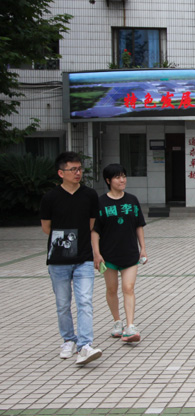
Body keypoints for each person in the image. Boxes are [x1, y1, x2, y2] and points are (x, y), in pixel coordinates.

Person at [40, 151, 103, 365]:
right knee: (62, 303)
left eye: (79, 169)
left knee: (85, 301)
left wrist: (96, 252)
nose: (78, 173)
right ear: (61, 173)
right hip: (58, 260)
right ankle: (68, 339)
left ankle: (85, 344)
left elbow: (93, 224)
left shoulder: (90, 195)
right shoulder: (50, 198)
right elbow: (46, 227)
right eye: (72, 169)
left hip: (84, 257)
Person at [91, 163, 147, 343]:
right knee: (112, 289)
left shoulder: (132, 200)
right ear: (108, 180)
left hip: (130, 253)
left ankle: (130, 326)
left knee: (128, 288)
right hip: (108, 254)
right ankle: (117, 321)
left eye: (123, 176)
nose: (122, 180)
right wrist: (96, 254)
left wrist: (143, 248)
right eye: (117, 177)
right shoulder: (100, 202)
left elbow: (139, 225)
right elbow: (94, 231)